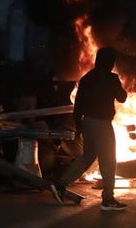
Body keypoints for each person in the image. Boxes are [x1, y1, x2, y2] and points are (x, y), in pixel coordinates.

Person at [50, 47, 127, 211]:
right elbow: (122, 98)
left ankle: (60, 185)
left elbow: (77, 106)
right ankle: (108, 199)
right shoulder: (112, 78)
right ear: (110, 62)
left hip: (87, 123)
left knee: (88, 156)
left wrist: (79, 126)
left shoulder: (86, 78)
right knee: (108, 160)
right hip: (102, 124)